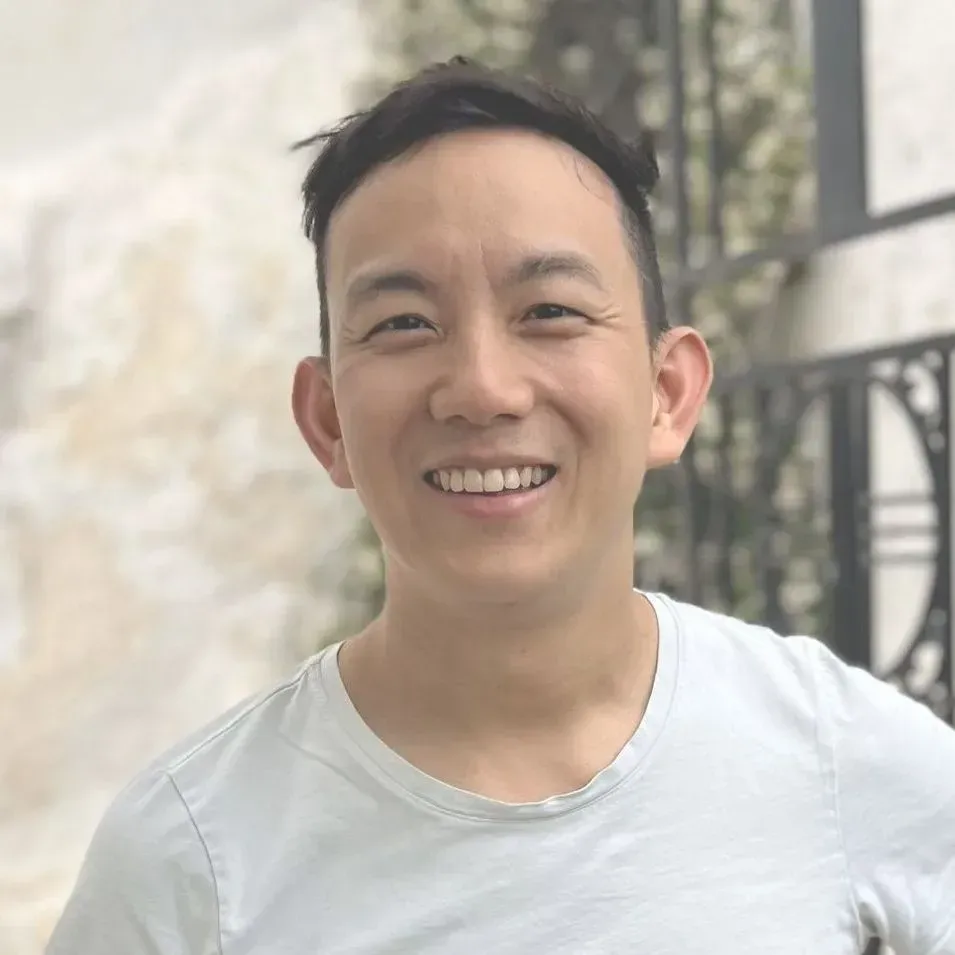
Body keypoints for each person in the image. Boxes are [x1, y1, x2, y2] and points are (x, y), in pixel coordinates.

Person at [47, 56, 955, 955]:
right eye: (405, 323)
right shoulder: (189, 860)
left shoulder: (838, 756)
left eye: (549, 310)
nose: (481, 389)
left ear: (667, 392)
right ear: (326, 421)